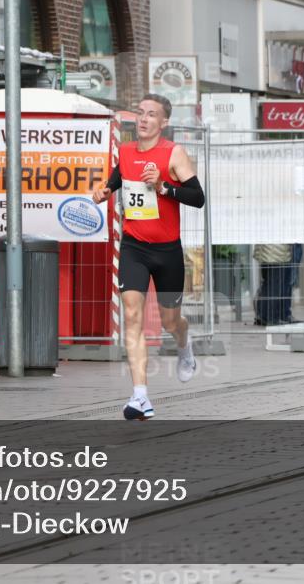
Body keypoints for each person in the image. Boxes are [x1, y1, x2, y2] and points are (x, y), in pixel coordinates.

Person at [92, 93, 205, 420]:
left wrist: (165, 188)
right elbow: (118, 178)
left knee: (171, 321)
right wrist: (104, 191)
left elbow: (198, 198)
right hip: (135, 247)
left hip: (167, 250)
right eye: (140, 113)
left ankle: (184, 345)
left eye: (151, 114)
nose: (143, 119)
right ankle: (139, 395)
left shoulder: (174, 154)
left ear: (164, 122)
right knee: (133, 315)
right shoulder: (126, 151)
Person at [253, 244, 293, 326]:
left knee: (267, 283)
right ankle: (272, 317)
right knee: (275, 284)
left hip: (266, 251)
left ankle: (263, 316)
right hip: (276, 252)